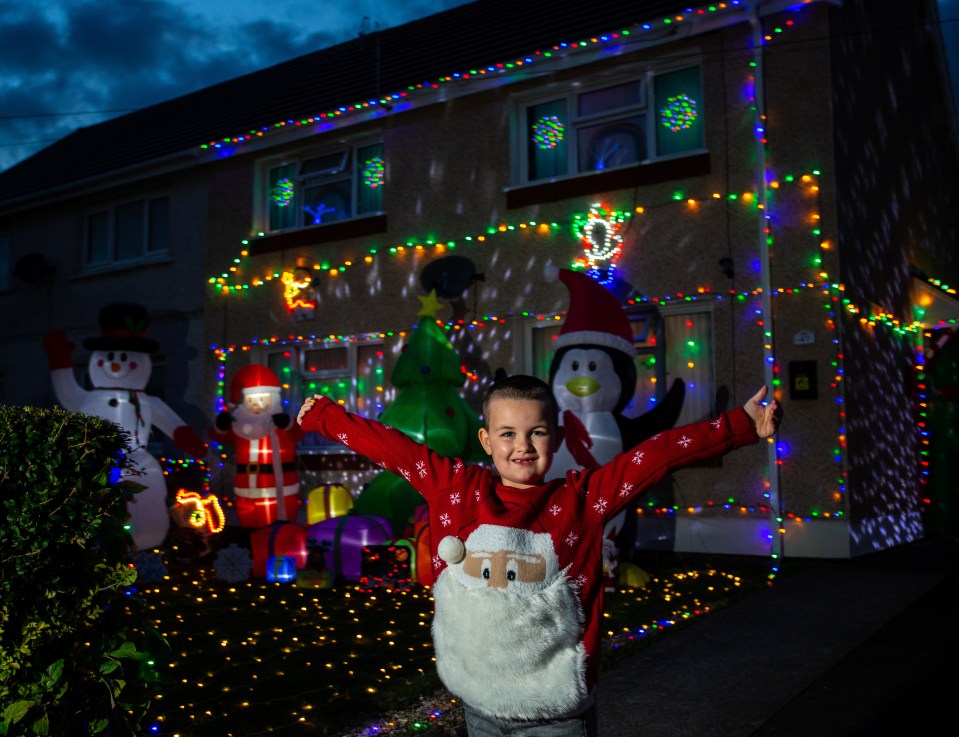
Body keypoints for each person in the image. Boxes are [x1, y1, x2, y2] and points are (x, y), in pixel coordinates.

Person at [297, 374, 782, 736]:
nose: (522, 446)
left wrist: (739, 425)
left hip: (556, 712)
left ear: (558, 438)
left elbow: (657, 454)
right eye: (507, 433)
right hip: (478, 701)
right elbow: (393, 448)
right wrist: (324, 416)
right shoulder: (455, 489)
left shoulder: (581, 501)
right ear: (486, 441)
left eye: (537, 432)